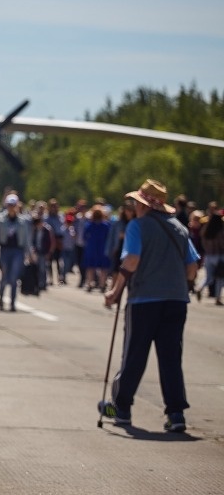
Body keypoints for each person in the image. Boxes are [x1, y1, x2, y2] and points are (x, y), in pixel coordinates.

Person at [99, 179, 199, 433]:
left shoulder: (137, 227)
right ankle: (176, 414)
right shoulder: (179, 228)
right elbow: (192, 266)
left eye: (135, 202)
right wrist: (180, 284)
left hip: (144, 300)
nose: (132, 206)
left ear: (143, 205)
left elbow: (131, 260)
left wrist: (115, 291)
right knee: (170, 357)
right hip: (176, 301)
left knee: (134, 354)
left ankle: (121, 408)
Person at [0, 193, 33, 312]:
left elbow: (27, 238)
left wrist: (29, 253)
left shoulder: (23, 221)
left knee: (14, 278)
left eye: (13, 205)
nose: (11, 207)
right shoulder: (0, 219)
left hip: (18, 251)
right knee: (4, 277)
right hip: (4, 250)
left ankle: (13, 302)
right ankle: (1, 299)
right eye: (9, 205)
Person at [198, 208, 224, 304]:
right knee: (220, 278)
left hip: (208, 256)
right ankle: (217, 298)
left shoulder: (206, 231)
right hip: (219, 256)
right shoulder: (220, 232)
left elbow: (203, 243)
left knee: (209, 277)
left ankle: (200, 288)